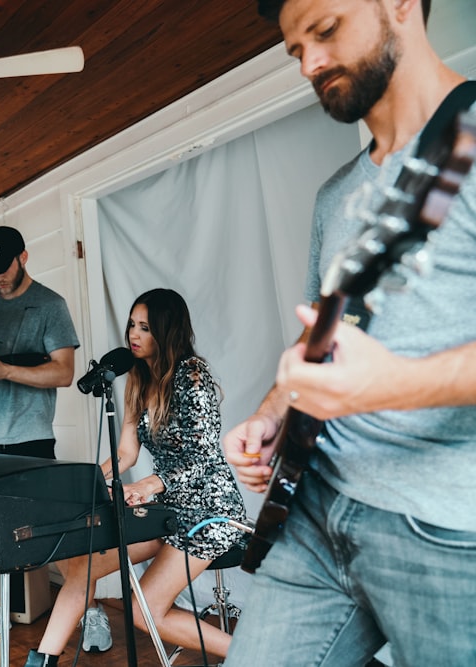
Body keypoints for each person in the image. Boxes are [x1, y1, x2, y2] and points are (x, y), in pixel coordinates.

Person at [223, 1, 476, 665]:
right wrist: (273, 411)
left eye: (325, 31)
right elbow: (323, 338)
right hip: (313, 510)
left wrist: (396, 384)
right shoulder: (336, 198)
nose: (309, 63)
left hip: (446, 531)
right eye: (295, 49)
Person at [24, 288, 247, 666]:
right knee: (85, 567)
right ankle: (42, 661)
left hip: (210, 510)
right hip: (168, 509)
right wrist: (89, 482)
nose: (133, 334)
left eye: (145, 327)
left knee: (145, 613)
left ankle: (257, 656)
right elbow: (126, 454)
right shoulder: (138, 381)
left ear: (167, 330)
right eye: (131, 325)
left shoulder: (192, 375)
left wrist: (150, 484)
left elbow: (205, 455)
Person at [0, 225, 81, 647]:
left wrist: (6, 370)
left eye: (4, 266)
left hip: (28, 438)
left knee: (53, 528)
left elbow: (64, 372)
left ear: (23, 257)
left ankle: (88, 609)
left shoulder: (50, 305)